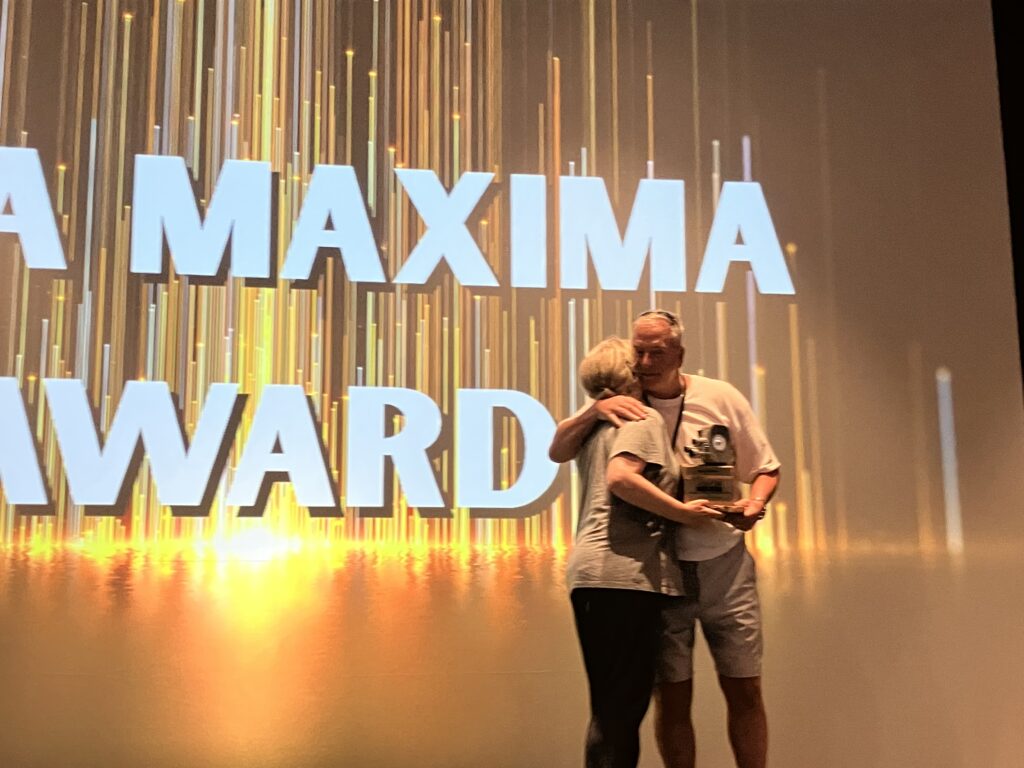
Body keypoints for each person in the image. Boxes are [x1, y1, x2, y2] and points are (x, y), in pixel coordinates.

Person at [550, 311, 781, 768]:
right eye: (638, 351)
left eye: (657, 352)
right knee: (663, 698)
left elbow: (766, 467)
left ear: (680, 354)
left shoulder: (718, 396)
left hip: (719, 564)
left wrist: (754, 505)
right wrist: (595, 408)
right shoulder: (627, 408)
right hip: (658, 575)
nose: (646, 362)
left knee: (741, 687)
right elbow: (565, 450)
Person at [564, 336, 723, 768]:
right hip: (626, 577)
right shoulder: (641, 417)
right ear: (630, 374)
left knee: (609, 708)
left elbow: (557, 449)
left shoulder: (593, 426)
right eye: (640, 362)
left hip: (591, 576)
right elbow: (621, 478)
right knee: (624, 707)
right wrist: (683, 513)